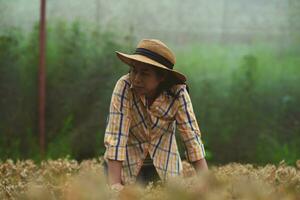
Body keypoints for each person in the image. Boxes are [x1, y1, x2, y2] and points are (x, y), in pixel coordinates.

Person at [103, 39, 208, 190]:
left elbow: (191, 138)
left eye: (145, 73)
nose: (137, 79)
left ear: (162, 77)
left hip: (163, 167)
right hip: (123, 166)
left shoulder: (178, 93)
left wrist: (207, 184)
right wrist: (115, 184)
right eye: (134, 70)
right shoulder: (124, 87)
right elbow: (116, 135)